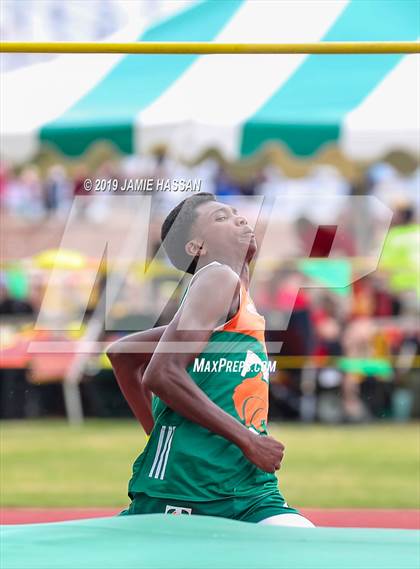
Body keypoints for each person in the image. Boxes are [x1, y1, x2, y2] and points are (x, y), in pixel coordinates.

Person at [107, 193, 314, 527]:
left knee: (301, 545)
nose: (240, 219)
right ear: (196, 247)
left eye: (236, 213)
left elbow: (123, 354)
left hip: (247, 487)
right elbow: (161, 374)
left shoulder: (231, 302)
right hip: (189, 488)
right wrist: (247, 440)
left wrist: (158, 431)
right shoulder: (218, 277)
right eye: (221, 218)